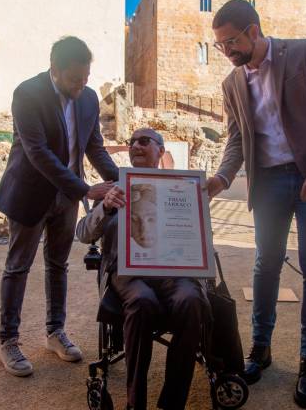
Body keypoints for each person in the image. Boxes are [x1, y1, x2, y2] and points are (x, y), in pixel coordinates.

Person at [205, 0, 306, 408]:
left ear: (254, 31)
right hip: (267, 181)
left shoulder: (302, 51)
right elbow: (237, 139)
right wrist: (221, 177)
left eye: (231, 41)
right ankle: (260, 349)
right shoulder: (232, 84)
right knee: (265, 263)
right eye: (219, 46)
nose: (227, 52)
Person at [0, 36, 118, 377]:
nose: (82, 85)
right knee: (18, 266)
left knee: (58, 265)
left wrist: (127, 181)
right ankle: (8, 342)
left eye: (86, 78)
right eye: (76, 79)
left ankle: (55, 332)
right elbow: (38, 154)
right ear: (55, 70)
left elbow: (95, 148)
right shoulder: (27, 94)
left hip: (65, 198)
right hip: (30, 193)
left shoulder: (89, 98)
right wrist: (87, 189)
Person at [76, 128, 209, 410]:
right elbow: (83, 233)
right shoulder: (114, 187)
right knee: (142, 301)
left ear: (160, 150)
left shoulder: (183, 187)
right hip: (128, 274)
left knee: (192, 299)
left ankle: (173, 403)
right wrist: (106, 208)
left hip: (173, 271)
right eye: (132, 142)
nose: (136, 145)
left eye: (144, 140)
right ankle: (135, 404)